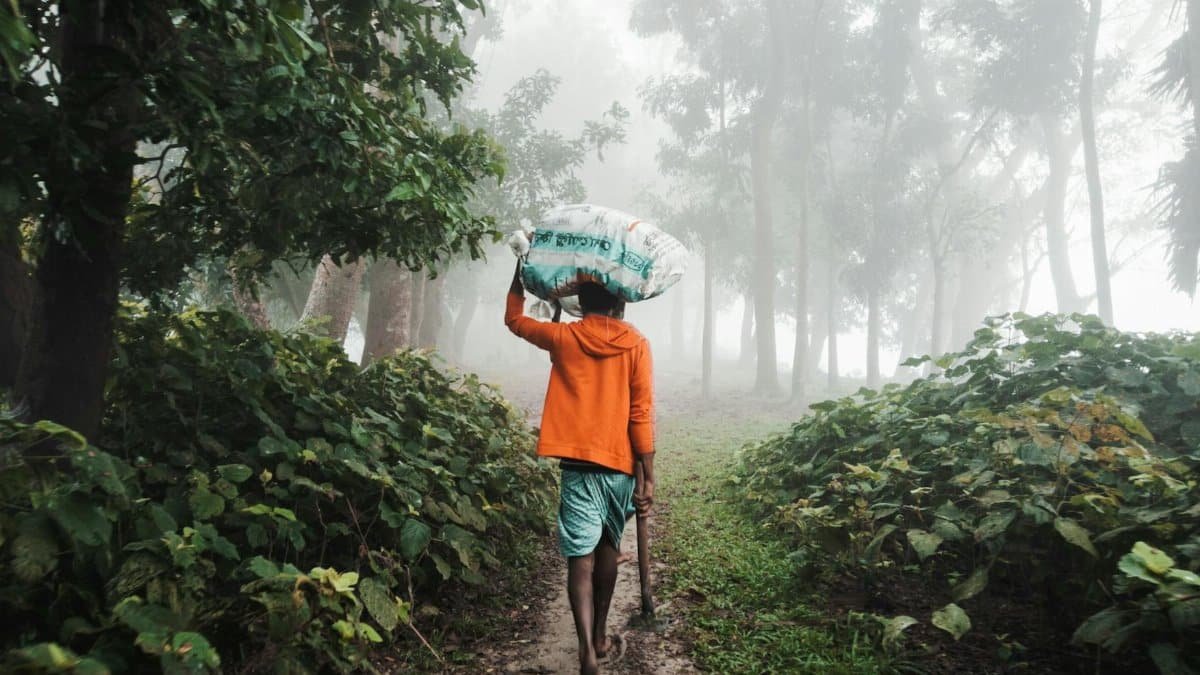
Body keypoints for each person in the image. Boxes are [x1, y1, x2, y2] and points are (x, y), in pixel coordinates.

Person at [504, 262, 655, 675]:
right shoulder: (637, 344)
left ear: (580, 303)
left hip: (576, 464)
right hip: (619, 465)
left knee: (579, 559)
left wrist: (519, 272)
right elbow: (640, 413)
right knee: (608, 547)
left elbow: (514, 320)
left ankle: (587, 651)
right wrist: (649, 471)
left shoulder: (564, 337)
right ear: (620, 303)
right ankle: (602, 634)